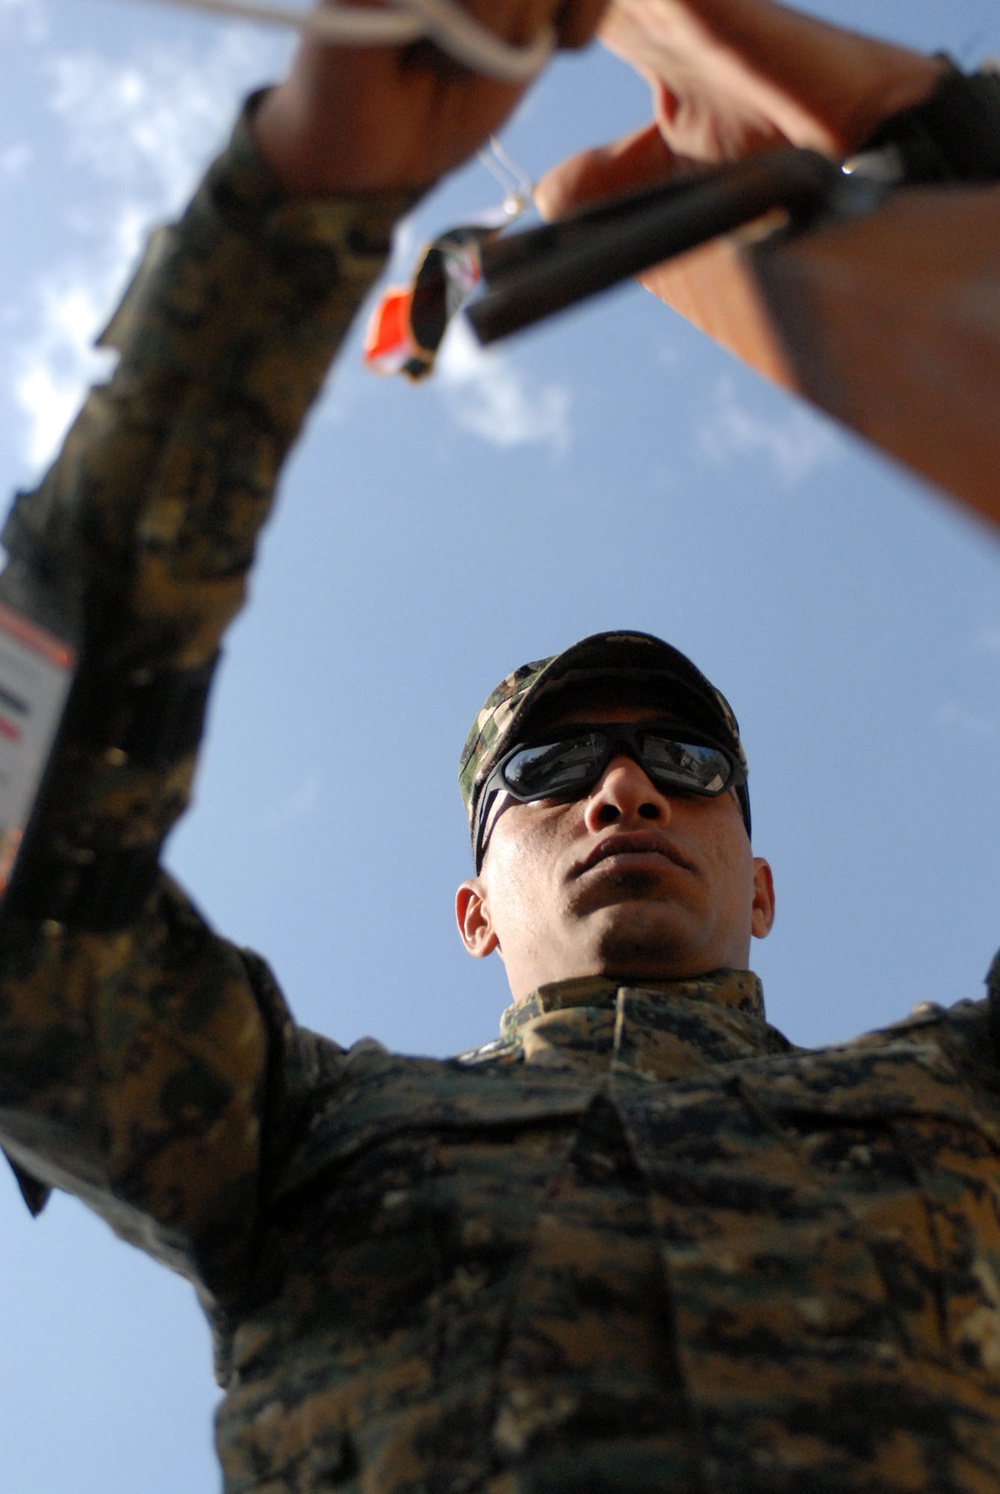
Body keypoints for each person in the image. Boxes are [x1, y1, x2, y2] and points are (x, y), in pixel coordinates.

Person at [1, 1, 999, 1490]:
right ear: (470, 910)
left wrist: (940, 164)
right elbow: (26, 873)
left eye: (684, 758)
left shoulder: (965, 1102)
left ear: (764, 881)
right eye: (544, 771)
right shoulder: (296, 1137)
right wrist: (296, 204)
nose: (622, 785)